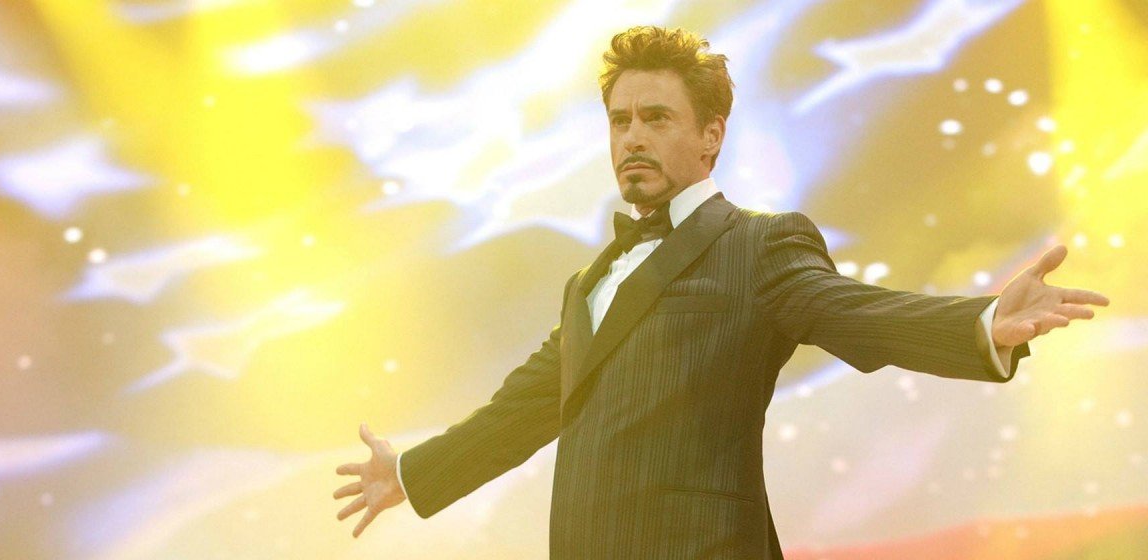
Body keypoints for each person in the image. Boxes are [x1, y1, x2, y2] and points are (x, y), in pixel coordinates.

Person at [332, 25, 1110, 558]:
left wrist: (981, 321)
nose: (632, 136)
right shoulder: (588, 282)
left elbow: (851, 314)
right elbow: (522, 409)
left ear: (712, 135)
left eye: (655, 117)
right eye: (619, 121)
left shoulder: (759, 244)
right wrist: (411, 473)